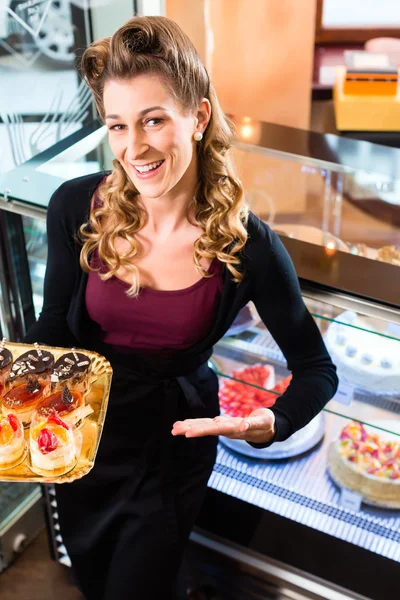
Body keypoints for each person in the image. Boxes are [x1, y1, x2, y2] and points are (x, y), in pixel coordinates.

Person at [24, 15, 338, 600]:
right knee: (92, 572)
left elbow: (318, 369)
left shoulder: (248, 245)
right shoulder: (75, 206)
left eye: (153, 120)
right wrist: (14, 395)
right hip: (80, 439)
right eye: (117, 125)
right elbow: (53, 329)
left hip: (172, 447)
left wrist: (274, 422)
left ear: (197, 117)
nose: (134, 148)